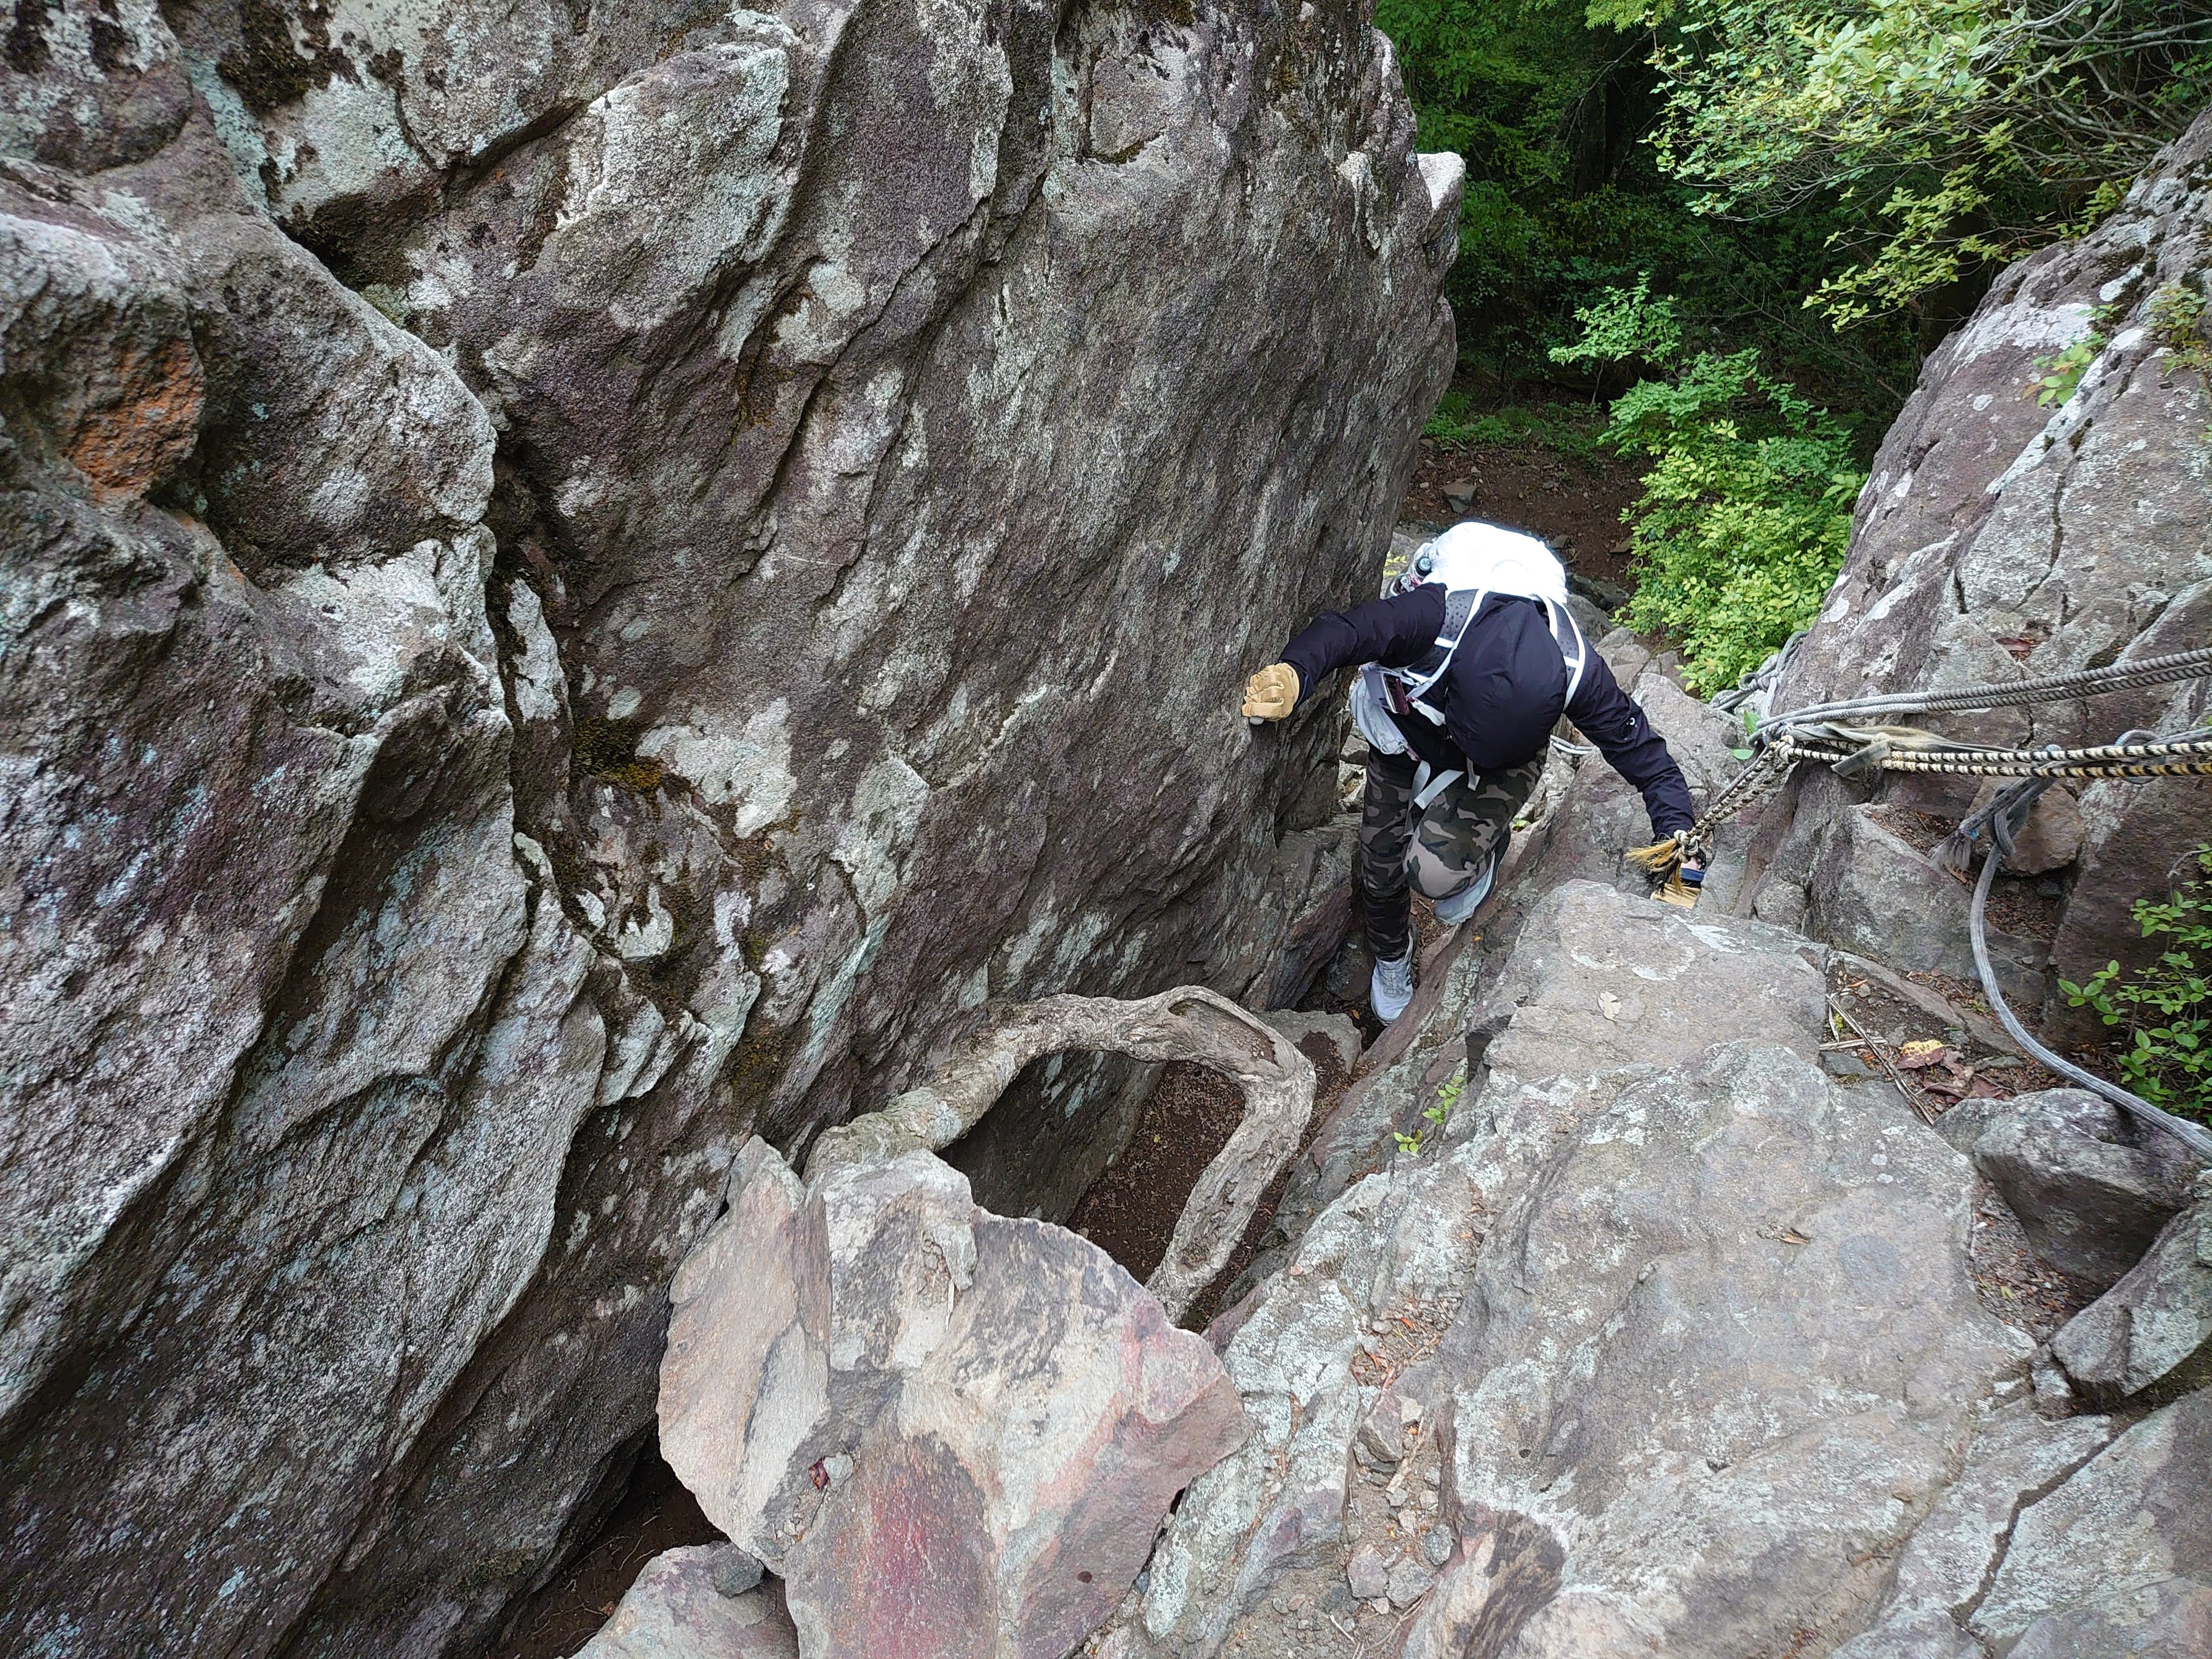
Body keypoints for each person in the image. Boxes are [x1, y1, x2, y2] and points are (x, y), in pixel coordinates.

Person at [1240, 520, 1698, 1022]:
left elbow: (1650, 764)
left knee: (1432, 875)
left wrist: (1682, 862)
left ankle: (1483, 854)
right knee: (1379, 866)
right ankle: (1393, 958)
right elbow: (1346, 632)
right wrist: (1293, 673)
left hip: (1505, 764)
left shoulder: (1577, 671)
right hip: (1408, 735)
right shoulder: (1429, 619)